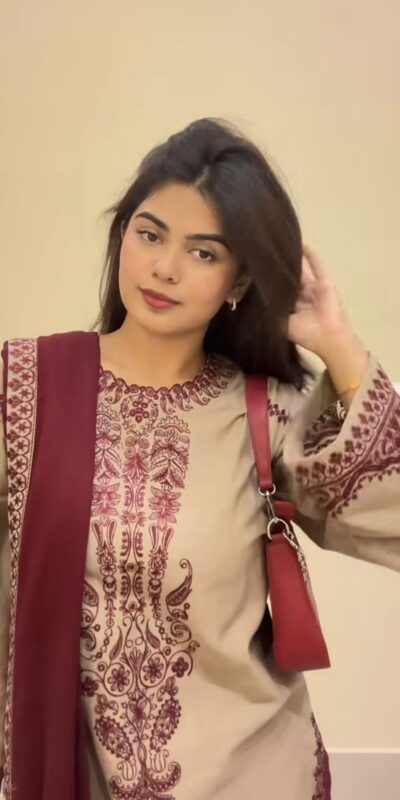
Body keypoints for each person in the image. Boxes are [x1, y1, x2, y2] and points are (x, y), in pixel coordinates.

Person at [0, 117, 399, 800]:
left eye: (204, 252)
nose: (166, 267)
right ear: (121, 236)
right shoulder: (24, 389)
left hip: (250, 777)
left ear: (239, 279)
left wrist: (339, 344)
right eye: (150, 234)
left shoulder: (268, 413)